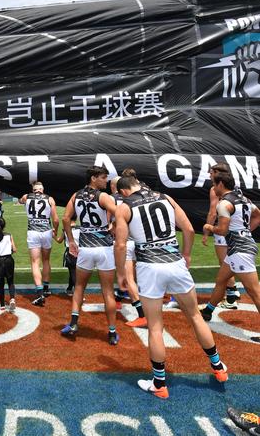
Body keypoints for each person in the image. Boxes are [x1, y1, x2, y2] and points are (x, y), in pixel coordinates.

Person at [114, 175, 228, 398]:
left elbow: (120, 245)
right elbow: (187, 228)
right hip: (175, 263)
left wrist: (121, 273)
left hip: (150, 268)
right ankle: (218, 367)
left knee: (155, 327)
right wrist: (186, 254)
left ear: (124, 191)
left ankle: (160, 384)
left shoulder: (125, 207)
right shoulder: (165, 197)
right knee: (195, 316)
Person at [61, 166, 119, 345]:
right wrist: (113, 228)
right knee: (108, 292)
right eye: (103, 177)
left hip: (85, 248)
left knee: (79, 287)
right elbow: (119, 213)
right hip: (104, 248)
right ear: (93, 178)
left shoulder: (76, 195)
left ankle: (73, 324)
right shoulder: (103, 196)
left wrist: (71, 241)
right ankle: (111, 332)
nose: (106, 181)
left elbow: (65, 219)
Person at [200, 171, 260, 344]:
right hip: (239, 248)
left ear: (220, 185)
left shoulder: (223, 204)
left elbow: (223, 230)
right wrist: (246, 231)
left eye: (213, 183)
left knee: (254, 292)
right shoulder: (245, 199)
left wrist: (209, 227)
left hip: (240, 250)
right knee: (221, 280)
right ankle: (208, 311)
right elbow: (258, 215)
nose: (213, 187)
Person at [202, 163, 242, 309]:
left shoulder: (215, 189)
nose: (209, 175)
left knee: (225, 262)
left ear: (218, 173)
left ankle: (232, 294)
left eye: (211, 172)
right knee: (229, 261)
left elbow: (213, 212)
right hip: (235, 228)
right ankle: (231, 293)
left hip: (223, 229)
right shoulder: (235, 187)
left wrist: (207, 231)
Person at [111, 172, 147, 328]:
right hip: (143, 241)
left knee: (128, 278)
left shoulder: (115, 200)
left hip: (126, 243)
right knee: (142, 276)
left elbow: (112, 223)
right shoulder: (143, 197)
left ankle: (142, 315)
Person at [19, 182, 58, 304]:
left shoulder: (27, 197)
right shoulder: (50, 199)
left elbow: (21, 200)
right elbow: (55, 219)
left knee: (35, 262)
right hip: (46, 231)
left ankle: (40, 292)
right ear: (42, 190)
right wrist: (55, 231)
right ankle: (46, 289)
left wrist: (26, 196)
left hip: (33, 232)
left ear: (33, 189)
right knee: (46, 260)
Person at [0, 217, 16, 312]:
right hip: (9, 259)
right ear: (4, 225)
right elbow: (14, 249)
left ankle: (2, 305)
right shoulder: (9, 235)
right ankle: (12, 299)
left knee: (1, 284)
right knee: (10, 281)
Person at [56, 221, 79, 296]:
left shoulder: (66, 229)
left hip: (70, 252)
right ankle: (69, 288)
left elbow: (59, 240)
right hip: (81, 252)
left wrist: (53, 235)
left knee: (73, 272)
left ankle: (78, 294)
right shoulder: (80, 228)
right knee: (74, 272)